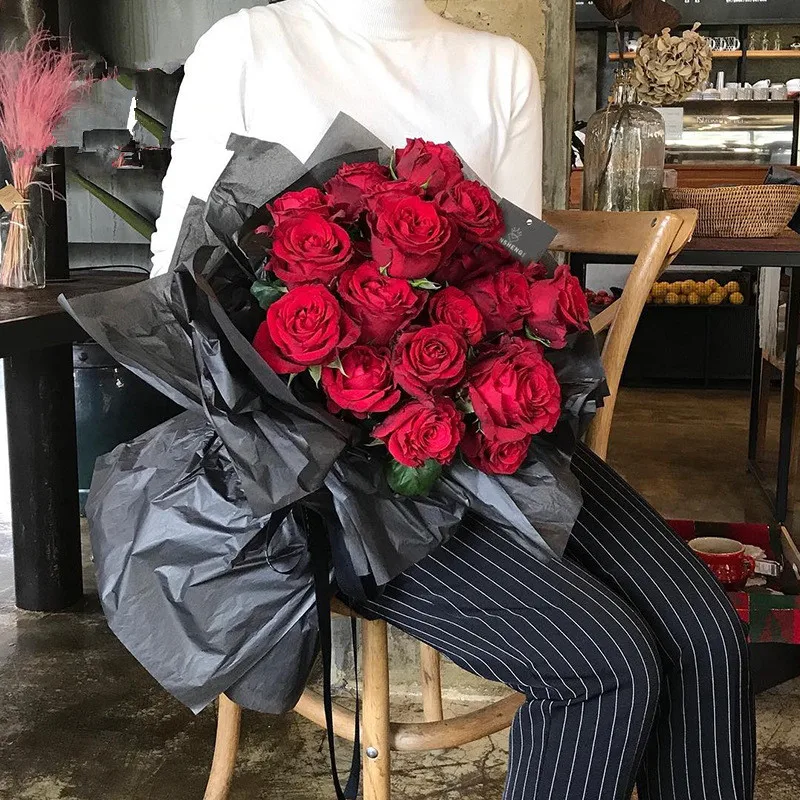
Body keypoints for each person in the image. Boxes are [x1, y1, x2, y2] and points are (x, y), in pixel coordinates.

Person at [150, 2, 755, 798]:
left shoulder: (503, 69)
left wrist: (480, 312)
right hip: (326, 471)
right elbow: (173, 285)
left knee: (709, 636)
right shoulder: (247, 46)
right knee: (604, 666)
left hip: (476, 431)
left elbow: (520, 256)